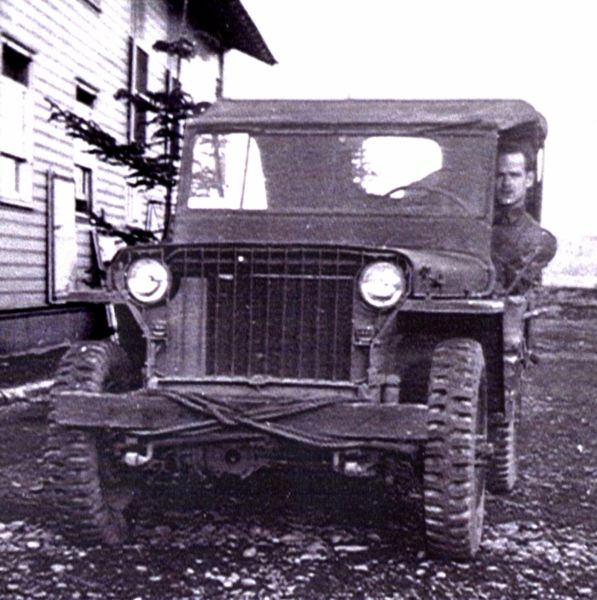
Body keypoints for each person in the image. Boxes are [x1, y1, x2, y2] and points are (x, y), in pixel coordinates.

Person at [491, 142, 557, 294]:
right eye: (500, 175)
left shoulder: (537, 239)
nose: (506, 183)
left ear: (529, 179)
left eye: (514, 175)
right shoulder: (479, 226)